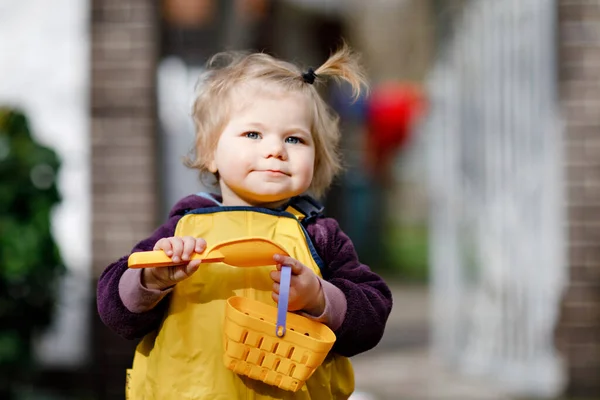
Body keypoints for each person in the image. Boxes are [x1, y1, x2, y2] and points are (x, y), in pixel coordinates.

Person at [97, 43, 393, 400]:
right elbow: (114, 310)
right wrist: (150, 277)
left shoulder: (319, 234)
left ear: (316, 160)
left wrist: (319, 297)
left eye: (294, 139)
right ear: (210, 153)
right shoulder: (182, 229)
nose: (275, 150)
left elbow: (372, 314)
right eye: (253, 134)